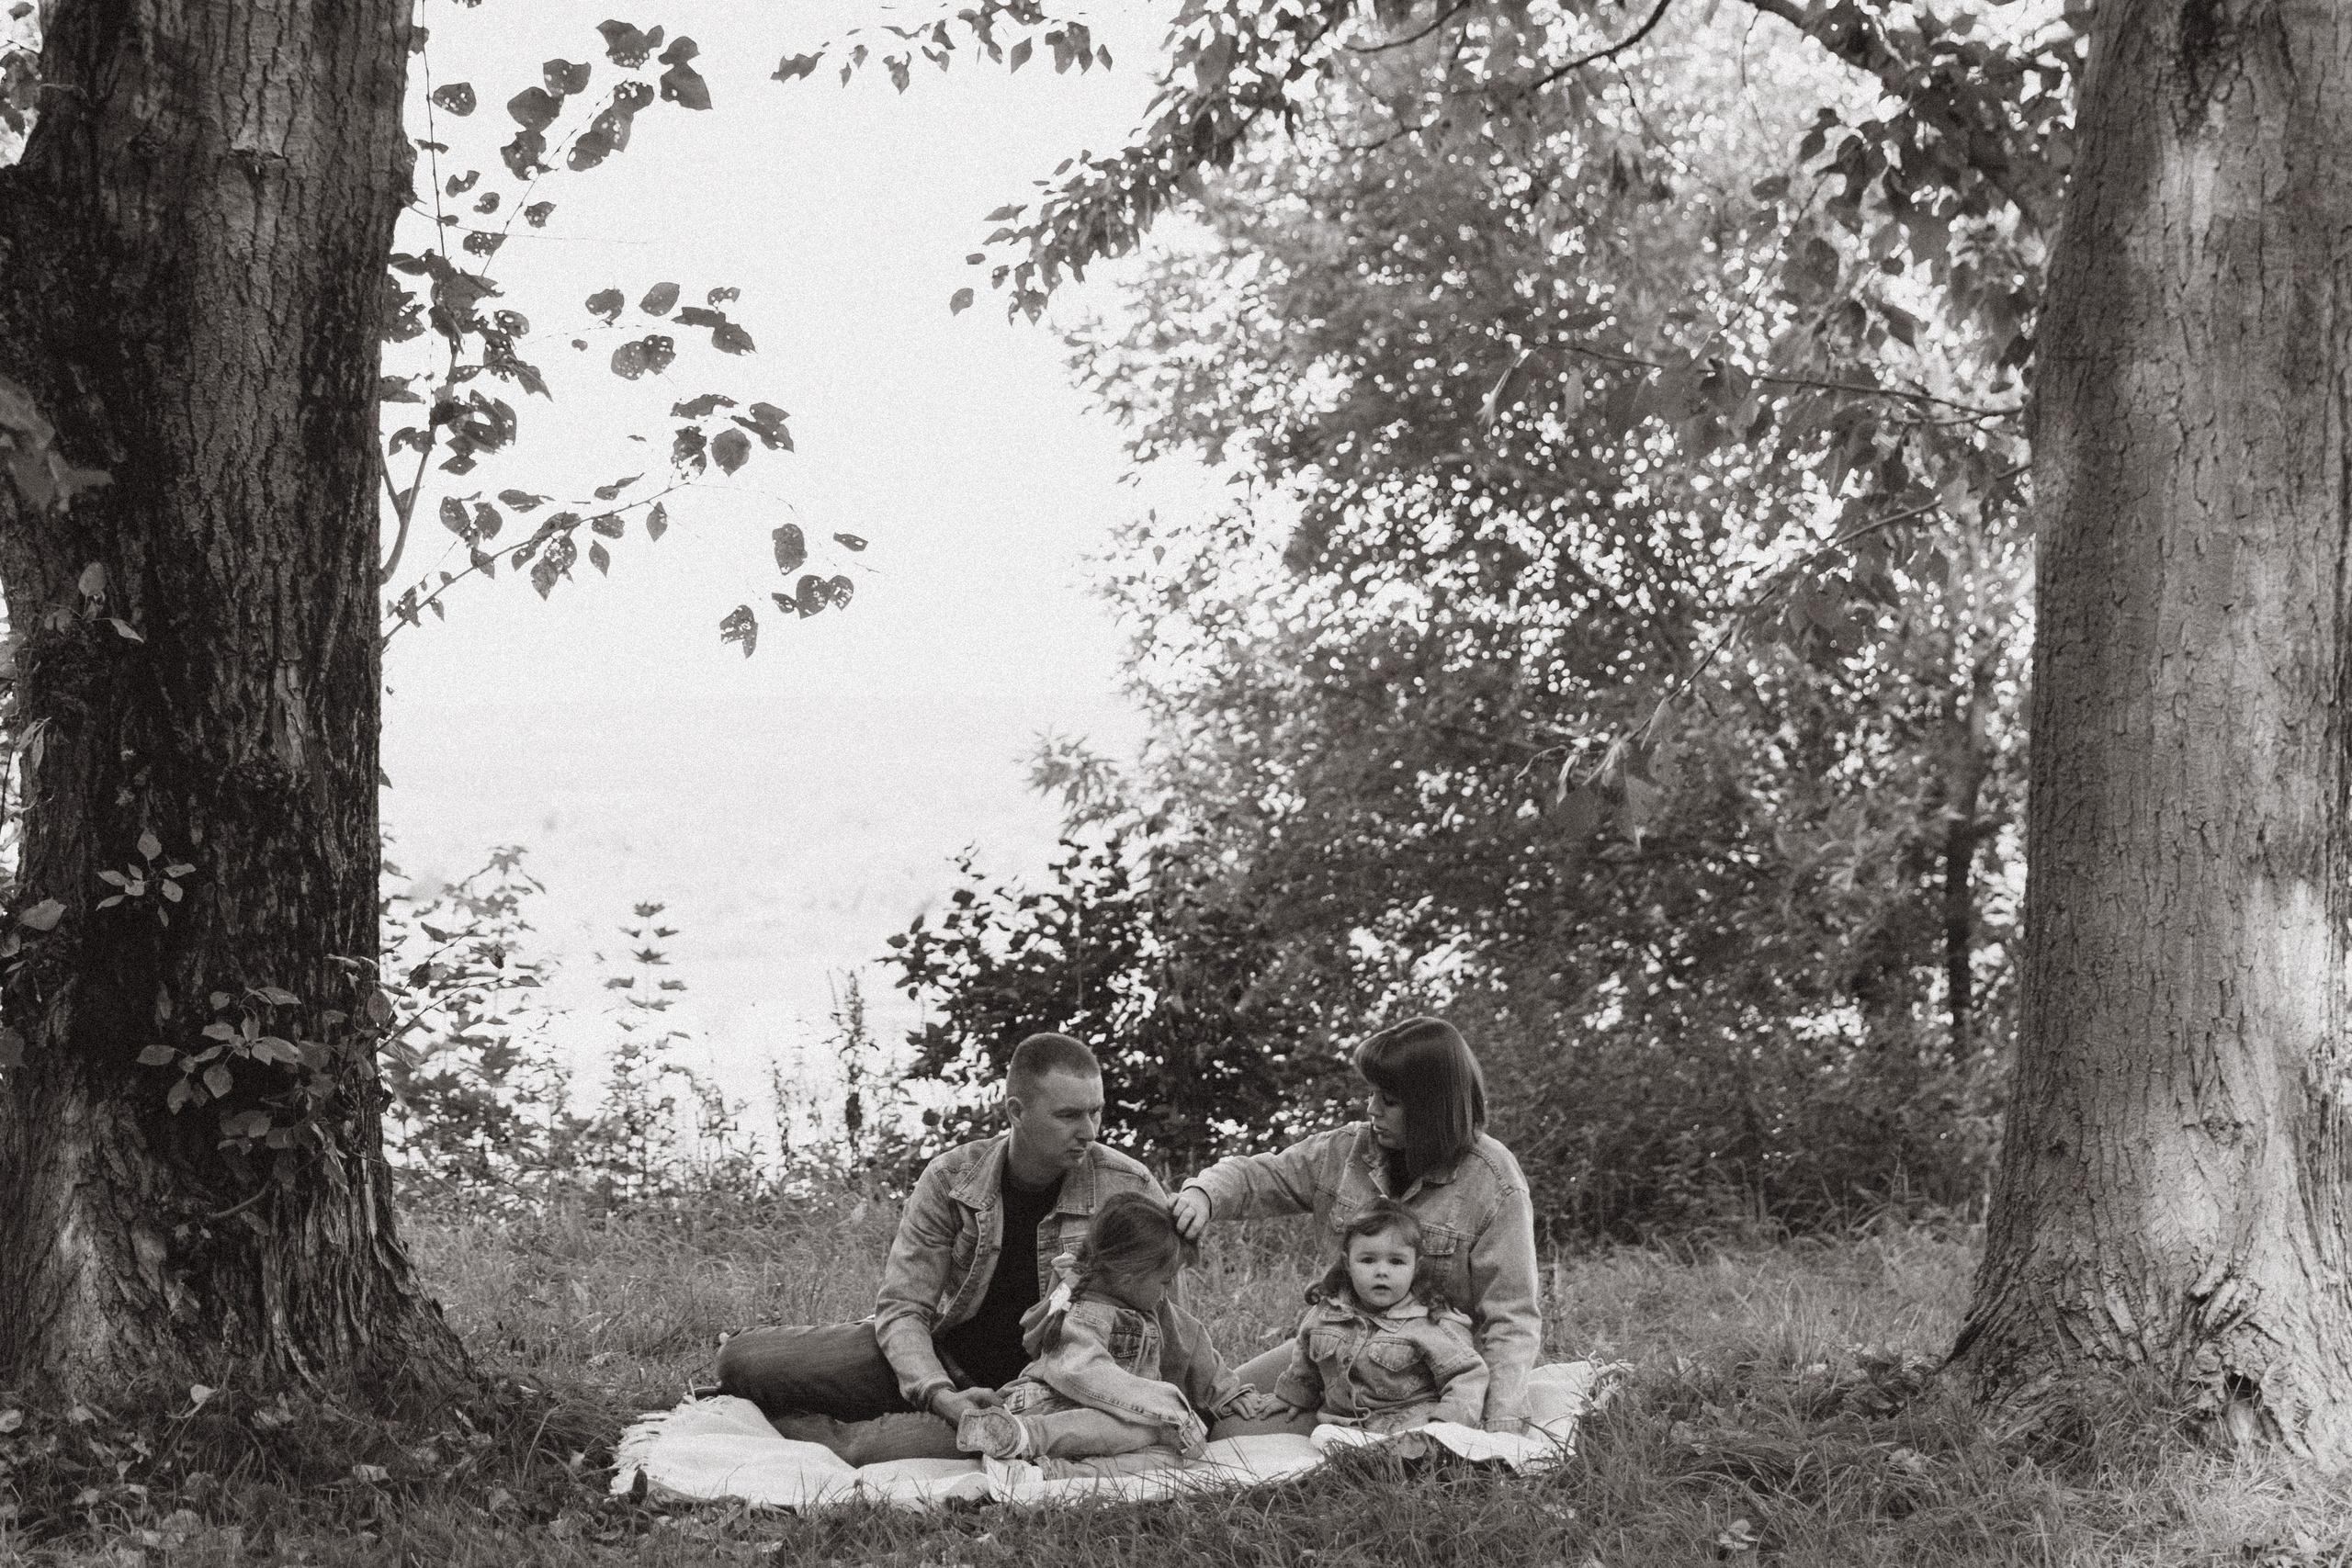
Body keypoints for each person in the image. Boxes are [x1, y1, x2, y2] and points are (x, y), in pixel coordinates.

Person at [713, 1032, 1166, 1464]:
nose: (1089, 1131)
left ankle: (812, 1427)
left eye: (1097, 1112)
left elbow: (1159, 1324)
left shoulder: (1129, 1187)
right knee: (742, 1360)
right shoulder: (951, 1179)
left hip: (1039, 1395)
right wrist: (938, 1392)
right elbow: (905, 1307)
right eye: (1069, 1115)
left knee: (870, 1453)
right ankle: (889, 1408)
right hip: (940, 1357)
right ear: (1017, 1111)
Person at [1171, 1017, 1542, 1434]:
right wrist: (1202, 1194)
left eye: (1389, 1100)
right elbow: (1259, 1177)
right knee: (1214, 1414)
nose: (1371, 1109)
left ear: (1431, 1106)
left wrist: (1501, 1423)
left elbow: (1511, 1319)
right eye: (1371, 1093)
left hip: (1429, 1382)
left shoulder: (1494, 1181)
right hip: (1339, 1358)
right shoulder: (1347, 1149)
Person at [956, 1190, 1268, 1483]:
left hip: (1105, 1420)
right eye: (1166, 1281)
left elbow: (1191, 1342)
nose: (1168, 1291)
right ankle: (1023, 1435)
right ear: (1128, 1276)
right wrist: (1165, 1405)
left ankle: (1040, 1473)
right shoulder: (1087, 1312)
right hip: (1051, 1408)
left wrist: (1227, 1393)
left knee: (1172, 1454)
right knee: (1149, 1430)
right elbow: (1082, 1372)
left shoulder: (1147, 1304)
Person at [1270, 1199, 1488, 1432]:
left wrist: (1445, 1426)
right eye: (1368, 1260)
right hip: (1343, 1422)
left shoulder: (1430, 1322)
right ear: (1348, 1264)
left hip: (1409, 1422)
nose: (1382, 1272)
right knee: (1321, 1436)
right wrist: (1293, 1396)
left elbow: (1466, 1375)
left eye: (1396, 1261)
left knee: (1409, 1447)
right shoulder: (1327, 1313)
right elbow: (1306, 1359)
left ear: (1415, 1267)